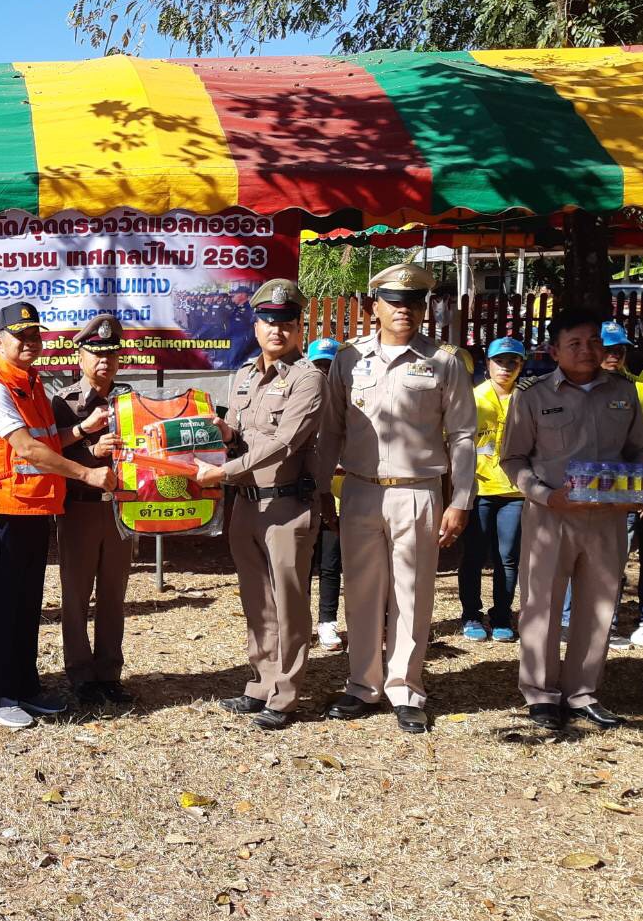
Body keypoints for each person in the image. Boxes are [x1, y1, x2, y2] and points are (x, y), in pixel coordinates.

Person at [325, 263, 477, 733]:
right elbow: (332, 430)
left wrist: (461, 499)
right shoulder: (348, 359)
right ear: (375, 307)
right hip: (360, 490)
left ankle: (406, 689)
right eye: (393, 302)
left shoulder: (445, 361)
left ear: (424, 308)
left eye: (413, 302)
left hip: (417, 492)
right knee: (362, 591)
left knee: (412, 593)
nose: (404, 310)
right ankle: (362, 684)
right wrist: (320, 490)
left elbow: (463, 435)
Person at [0, 302, 115, 731]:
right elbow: (28, 449)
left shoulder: (31, 382)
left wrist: (83, 430)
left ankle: (26, 688)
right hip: (1, 510)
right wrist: (87, 473)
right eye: (21, 336)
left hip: (33, 507)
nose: (30, 342)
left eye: (35, 335)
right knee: (4, 605)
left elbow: (49, 439)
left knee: (28, 603)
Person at [501, 308, 643, 731]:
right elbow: (513, 458)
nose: (587, 349)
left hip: (608, 518)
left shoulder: (624, 392)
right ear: (554, 351)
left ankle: (582, 692)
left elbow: (640, 450)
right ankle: (541, 694)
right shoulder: (532, 396)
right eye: (575, 343)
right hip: (552, 516)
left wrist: (638, 489)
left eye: (594, 341)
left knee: (598, 606)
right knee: (542, 604)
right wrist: (546, 495)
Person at [198, 281, 330, 729]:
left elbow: (283, 443)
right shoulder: (244, 376)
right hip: (246, 506)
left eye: (286, 322)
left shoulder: (308, 379)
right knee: (256, 601)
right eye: (269, 321)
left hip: (286, 507)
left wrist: (223, 473)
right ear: (256, 326)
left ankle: (286, 694)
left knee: (289, 604)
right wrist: (222, 434)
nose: (277, 329)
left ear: (299, 327)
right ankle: (261, 682)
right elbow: (241, 436)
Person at [51, 314, 134, 707]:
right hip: (79, 509)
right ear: (80, 357)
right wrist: (91, 451)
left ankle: (109, 673)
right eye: (97, 354)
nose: (105, 361)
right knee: (76, 595)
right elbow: (49, 452)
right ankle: (81, 674)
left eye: (111, 354)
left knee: (114, 595)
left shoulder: (131, 400)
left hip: (119, 510)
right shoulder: (63, 402)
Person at [458, 337, 526, 643]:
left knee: (507, 557)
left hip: (515, 491)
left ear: (521, 366)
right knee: (474, 555)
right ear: (488, 364)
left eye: (513, 362)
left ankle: (501, 616)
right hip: (480, 488)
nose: (506, 367)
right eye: (500, 361)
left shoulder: (527, 399)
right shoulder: (473, 398)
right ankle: (471, 614)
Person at [601, 320, 643, 649]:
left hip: (627, 491)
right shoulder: (578, 388)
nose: (613, 355)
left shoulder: (642, 390)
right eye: (607, 349)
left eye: (619, 349)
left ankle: (607, 624)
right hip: (585, 489)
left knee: (615, 561)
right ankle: (572, 620)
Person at [305, 337, 344, 651]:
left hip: (339, 497)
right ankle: (298, 620)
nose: (324, 372)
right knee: (301, 564)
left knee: (331, 564)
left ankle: (327, 621)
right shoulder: (301, 400)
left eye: (330, 366)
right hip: (304, 498)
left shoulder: (350, 403)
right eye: (319, 365)